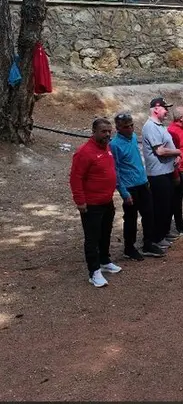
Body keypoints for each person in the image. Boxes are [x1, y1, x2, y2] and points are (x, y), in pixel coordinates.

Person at [69, 118, 122, 287]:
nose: (107, 134)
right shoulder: (84, 152)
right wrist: (80, 201)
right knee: (92, 238)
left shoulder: (107, 148)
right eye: (103, 131)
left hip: (107, 201)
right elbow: (76, 178)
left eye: (109, 131)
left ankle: (104, 261)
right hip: (91, 204)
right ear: (94, 132)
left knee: (105, 232)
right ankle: (94, 272)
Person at [110, 112, 162, 260]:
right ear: (118, 128)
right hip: (129, 187)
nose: (130, 129)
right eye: (126, 127)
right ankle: (129, 248)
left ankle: (148, 243)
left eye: (131, 125)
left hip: (142, 183)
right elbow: (115, 170)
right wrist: (123, 192)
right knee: (131, 218)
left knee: (148, 214)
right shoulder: (114, 145)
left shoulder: (133, 137)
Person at [142, 97, 182, 251]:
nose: (167, 111)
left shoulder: (159, 125)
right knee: (160, 207)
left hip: (166, 171)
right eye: (165, 108)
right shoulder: (150, 127)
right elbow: (160, 151)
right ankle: (157, 238)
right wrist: (177, 152)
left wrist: (174, 156)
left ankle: (164, 233)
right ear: (156, 109)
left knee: (167, 205)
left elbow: (166, 147)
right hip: (157, 174)